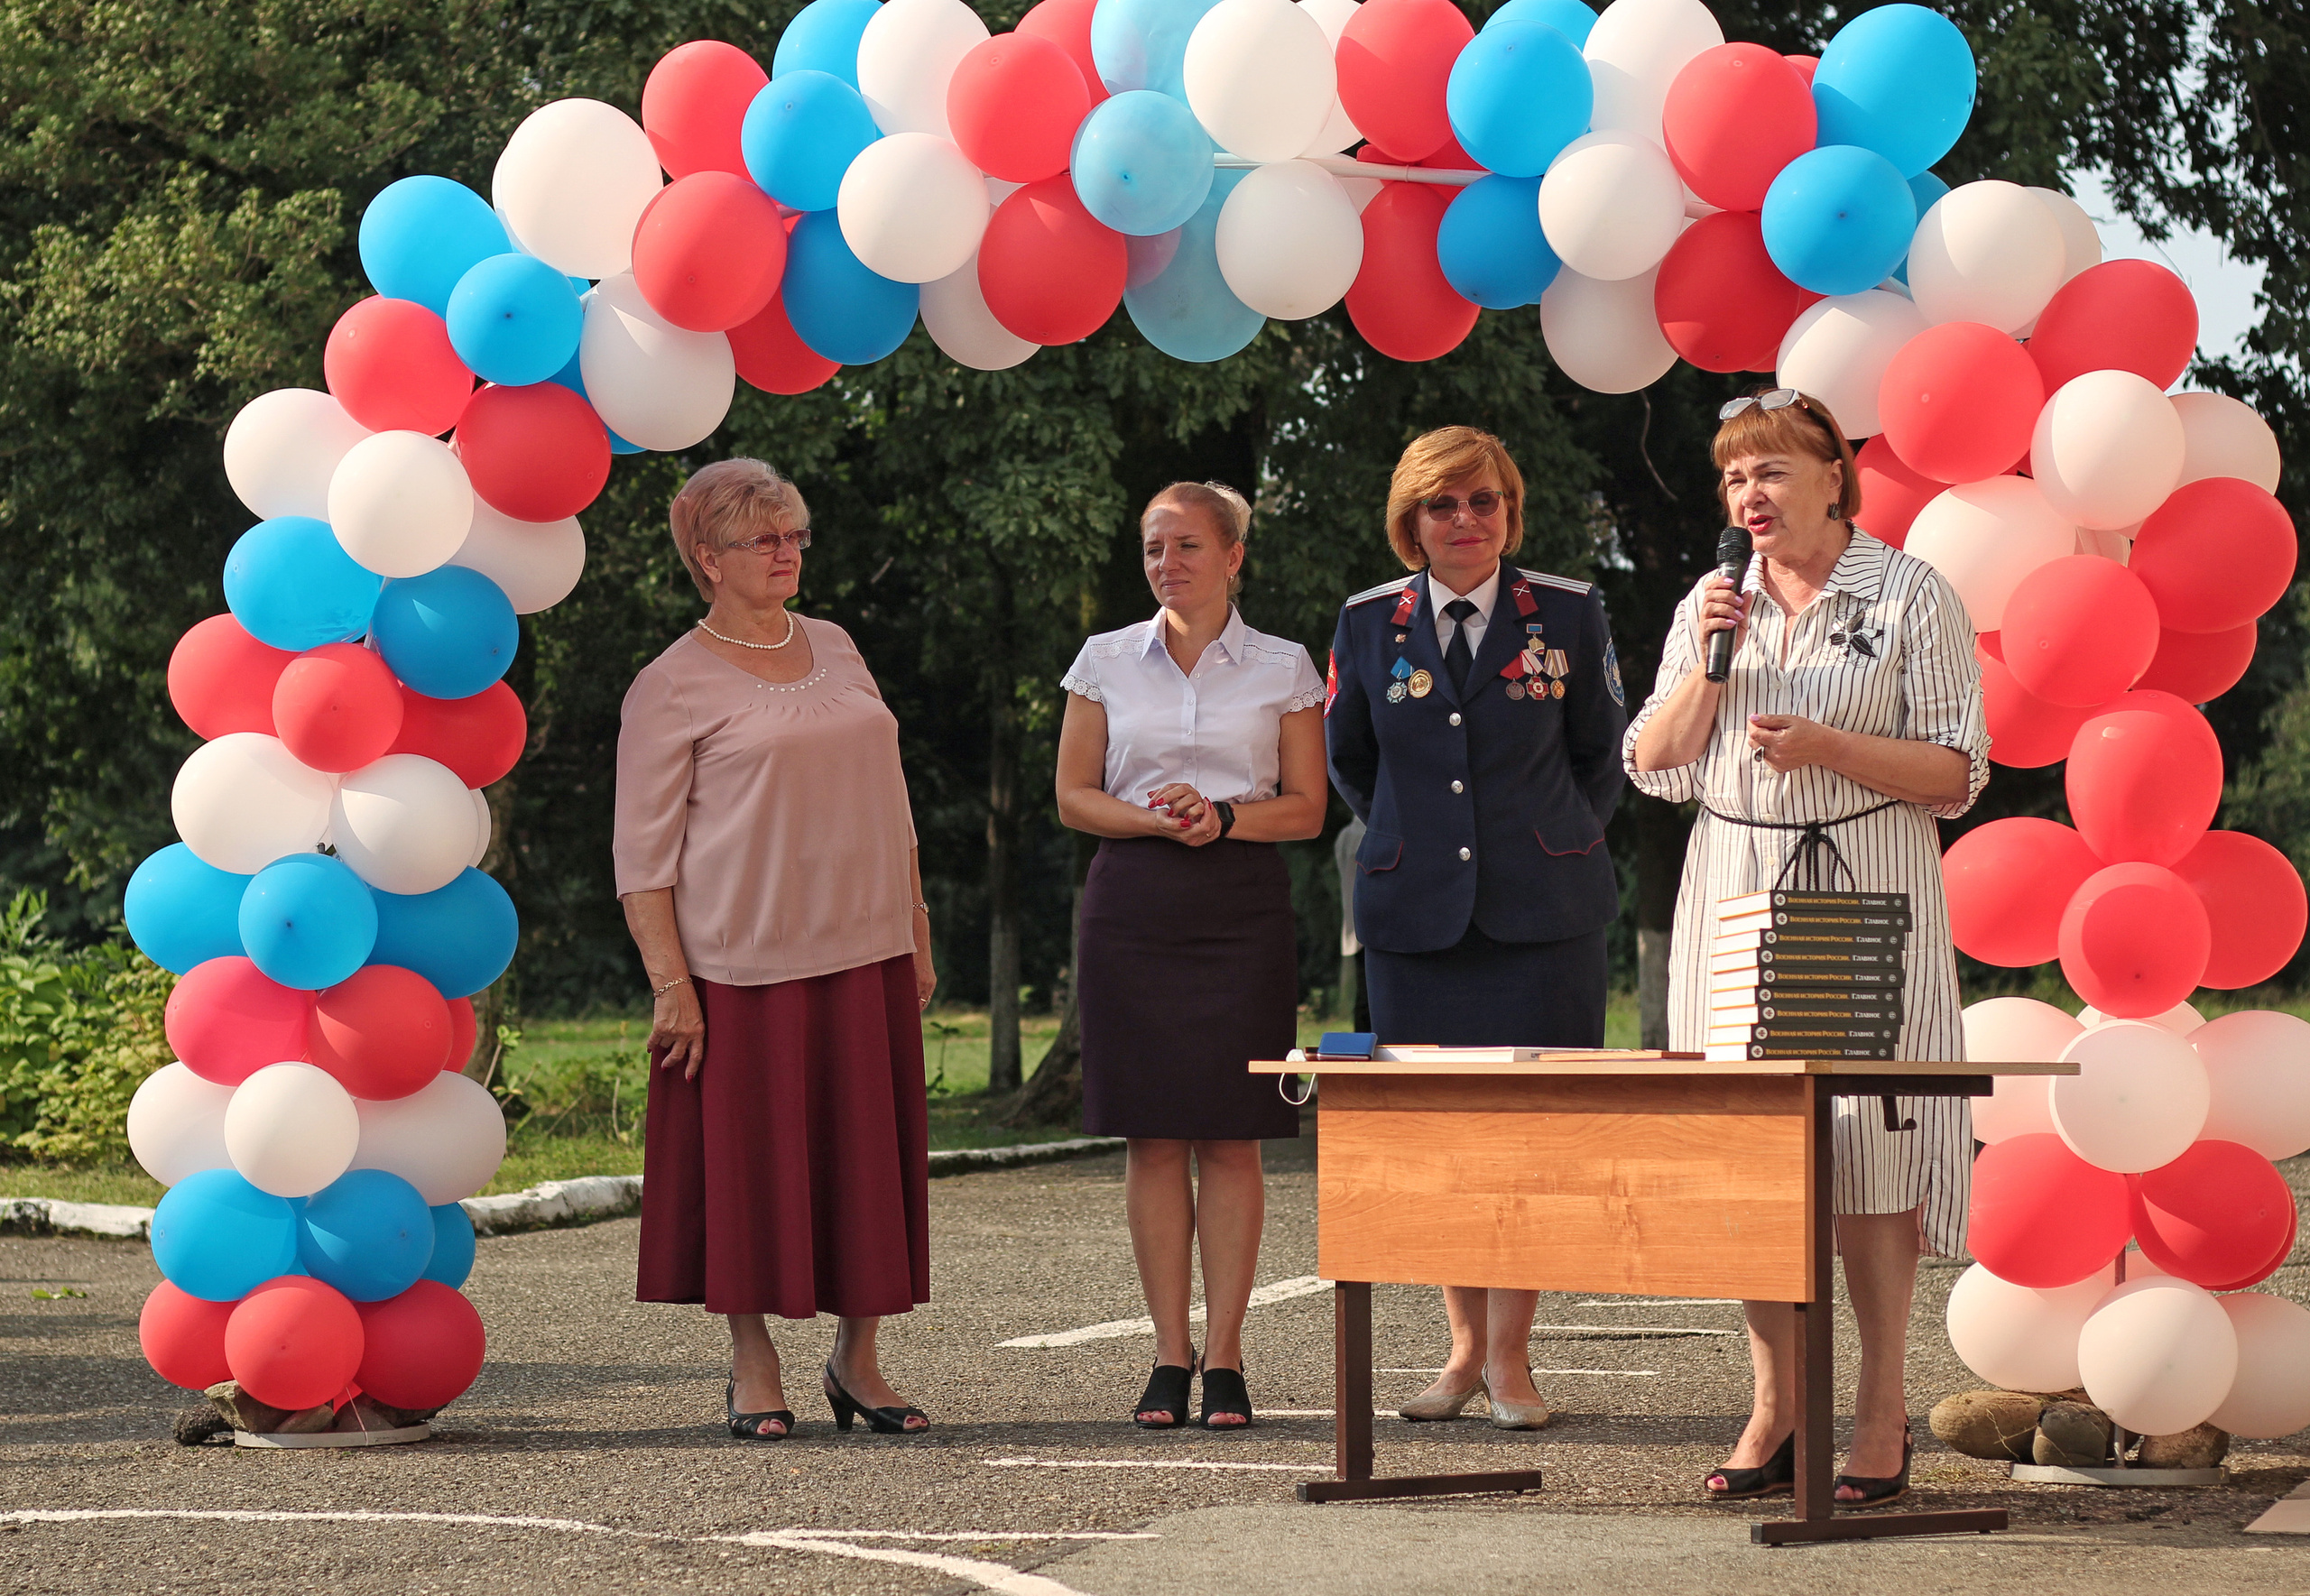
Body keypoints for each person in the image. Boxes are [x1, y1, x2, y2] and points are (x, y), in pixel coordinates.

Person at [1624, 387, 1989, 1508]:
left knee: (1865, 1150)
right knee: (1753, 1155)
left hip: (1862, 889)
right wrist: (1709, 663)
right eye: (1735, 477)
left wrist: (1833, 744)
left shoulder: (1909, 591)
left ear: (1834, 476)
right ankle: (1777, 1405)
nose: (1751, 495)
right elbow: (1653, 760)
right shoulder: (1711, 598)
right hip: (1733, 888)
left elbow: (1957, 772)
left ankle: (1879, 1411)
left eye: (1772, 471)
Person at [614, 457, 936, 1443]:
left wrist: (917, 934)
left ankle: (860, 1357)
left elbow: (894, 800)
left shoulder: (836, 644)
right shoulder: (669, 683)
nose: (787, 551)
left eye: (793, 532)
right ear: (708, 557)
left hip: (869, 946)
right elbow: (642, 857)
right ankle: (752, 1361)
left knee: (865, 1165)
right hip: (741, 965)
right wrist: (673, 985)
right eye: (764, 537)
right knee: (752, 1171)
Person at [1325, 425, 1627, 1431]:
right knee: (1444, 1142)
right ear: (1408, 520)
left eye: (1482, 501)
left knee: (1530, 1140)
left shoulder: (1571, 612)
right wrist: (1425, 840)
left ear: (1510, 509)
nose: (1463, 520)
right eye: (1441, 505)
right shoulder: (1368, 621)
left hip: (1543, 918)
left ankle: (1511, 1359)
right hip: (1419, 922)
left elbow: (1599, 754)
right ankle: (1458, 1352)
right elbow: (1351, 761)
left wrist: (1545, 838)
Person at [1055, 481, 1328, 1431]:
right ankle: (1167, 1354)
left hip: (1240, 902)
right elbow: (1072, 795)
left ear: (1233, 555)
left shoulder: (1285, 665)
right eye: (1153, 547)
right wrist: (1157, 821)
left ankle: (1226, 1357)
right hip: (1131, 901)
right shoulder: (1103, 659)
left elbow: (1306, 806)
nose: (1168, 562)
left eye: (1187, 545)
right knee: (1154, 1134)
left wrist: (1222, 818)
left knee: (1231, 1131)